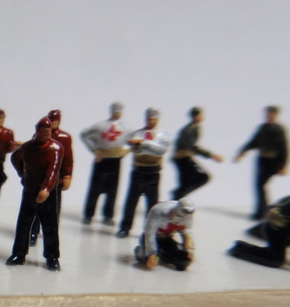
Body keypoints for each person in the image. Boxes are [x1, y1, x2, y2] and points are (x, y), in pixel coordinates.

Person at [6, 117, 64, 271]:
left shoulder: (56, 148)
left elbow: (53, 170)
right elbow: (14, 158)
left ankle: (52, 257)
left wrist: (46, 188)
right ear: (37, 132)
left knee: (50, 226)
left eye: (48, 132)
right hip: (30, 190)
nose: (46, 135)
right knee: (23, 223)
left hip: (48, 194)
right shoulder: (27, 147)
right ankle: (18, 254)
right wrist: (22, 173)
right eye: (43, 132)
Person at [116, 108, 170, 238]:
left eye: (152, 119)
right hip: (138, 171)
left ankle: (150, 230)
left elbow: (160, 150)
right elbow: (135, 149)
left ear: (157, 119)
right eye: (148, 118)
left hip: (153, 172)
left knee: (152, 204)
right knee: (131, 202)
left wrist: (143, 143)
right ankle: (125, 227)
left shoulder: (162, 135)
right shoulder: (138, 133)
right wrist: (145, 145)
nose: (150, 121)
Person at [234, 105, 288, 220]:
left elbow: (283, 148)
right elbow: (253, 142)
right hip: (262, 160)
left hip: (273, 161)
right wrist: (242, 152)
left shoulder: (279, 129)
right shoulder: (262, 128)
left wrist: (282, 166)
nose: (269, 116)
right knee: (259, 185)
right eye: (267, 113)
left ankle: (265, 211)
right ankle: (262, 211)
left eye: (271, 113)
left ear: (276, 115)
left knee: (261, 185)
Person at [79, 102, 128, 225]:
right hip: (102, 160)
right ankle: (88, 214)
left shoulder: (125, 128)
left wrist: (126, 150)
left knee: (113, 191)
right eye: (115, 111)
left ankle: (108, 215)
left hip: (115, 161)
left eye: (118, 111)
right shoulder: (100, 126)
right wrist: (94, 149)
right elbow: (84, 134)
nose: (116, 114)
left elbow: (133, 140)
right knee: (95, 189)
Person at [29, 109, 72, 245]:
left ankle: (52, 233)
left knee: (54, 209)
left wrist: (67, 175)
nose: (52, 125)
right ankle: (33, 231)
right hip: (39, 178)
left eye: (55, 122)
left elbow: (68, 158)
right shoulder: (38, 136)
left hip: (56, 178)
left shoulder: (65, 137)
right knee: (37, 206)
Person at [171, 107, 223, 200]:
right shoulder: (190, 129)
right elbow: (192, 146)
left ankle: (179, 196)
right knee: (203, 177)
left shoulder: (193, 128)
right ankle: (179, 195)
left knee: (186, 182)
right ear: (196, 116)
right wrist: (211, 155)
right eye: (200, 115)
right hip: (183, 158)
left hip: (182, 158)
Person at [228, 194, 290, 268]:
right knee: (275, 258)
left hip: (278, 224)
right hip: (278, 227)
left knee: (276, 257)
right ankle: (241, 248)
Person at [134, 199, 195, 271]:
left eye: (189, 212)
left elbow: (186, 231)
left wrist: (189, 249)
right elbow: (150, 232)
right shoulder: (159, 211)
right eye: (185, 211)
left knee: (183, 261)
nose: (186, 214)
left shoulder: (188, 215)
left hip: (166, 239)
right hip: (150, 237)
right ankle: (141, 251)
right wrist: (151, 252)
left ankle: (163, 255)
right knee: (149, 261)